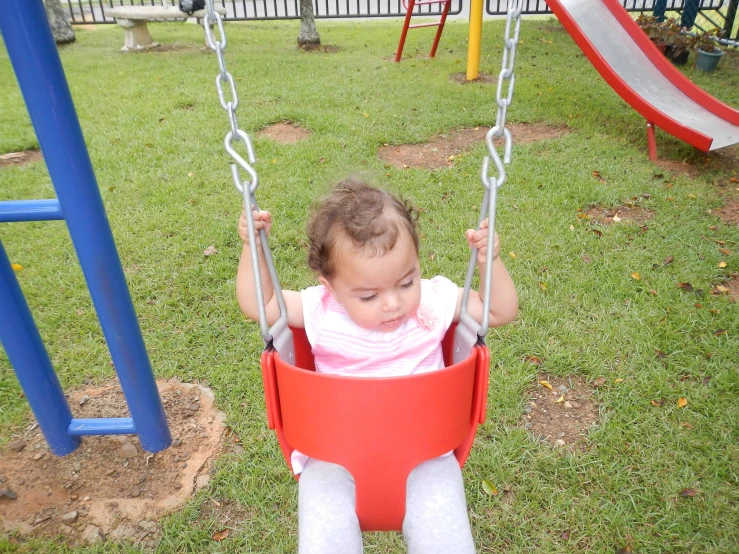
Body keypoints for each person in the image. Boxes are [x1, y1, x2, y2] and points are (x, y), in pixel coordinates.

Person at [236, 178, 518, 554]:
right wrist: (252, 249)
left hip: (426, 455)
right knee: (324, 533)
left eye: (406, 282)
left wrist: (490, 262)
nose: (393, 303)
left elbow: (499, 310)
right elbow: (260, 305)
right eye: (369, 294)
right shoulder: (320, 310)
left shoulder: (434, 301)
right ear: (330, 287)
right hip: (334, 460)